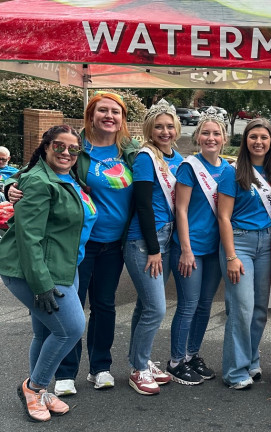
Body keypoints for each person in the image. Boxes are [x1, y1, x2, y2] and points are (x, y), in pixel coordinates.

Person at [6, 91, 140, 396]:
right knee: (70, 311)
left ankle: (100, 367)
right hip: (76, 245)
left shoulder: (130, 151)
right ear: (91, 115)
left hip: (113, 243)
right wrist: (9, 185)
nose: (109, 116)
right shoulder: (75, 145)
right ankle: (65, 373)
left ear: (122, 119)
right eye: (102, 110)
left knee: (105, 306)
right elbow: (28, 170)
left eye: (115, 112)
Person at [0, 125, 97, 421]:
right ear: (45, 147)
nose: (66, 152)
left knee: (45, 332)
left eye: (73, 148)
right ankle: (35, 386)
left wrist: (9, 184)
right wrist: (41, 284)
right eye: (59, 146)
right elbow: (29, 238)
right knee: (70, 328)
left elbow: (21, 176)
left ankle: (40, 392)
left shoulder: (68, 175)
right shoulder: (41, 181)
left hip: (66, 265)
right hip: (38, 272)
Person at [166, 108, 230, 385]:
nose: (211, 138)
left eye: (216, 133)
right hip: (191, 247)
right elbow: (180, 209)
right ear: (197, 136)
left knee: (205, 304)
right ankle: (175, 360)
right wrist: (185, 249)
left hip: (215, 248)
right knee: (189, 304)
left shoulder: (228, 169)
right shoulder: (189, 167)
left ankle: (192, 354)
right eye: (205, 132)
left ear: (224, 138)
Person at [123, 99, 182, 395]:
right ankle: (139, 368)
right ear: (149, 129)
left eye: (170, 125)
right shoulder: (147, 157)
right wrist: (154, 249)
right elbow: (143, 205)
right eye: (159, 126)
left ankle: (140, 359)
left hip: (167, 237)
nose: (165, 131)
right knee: (156, 309)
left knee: (144, 305)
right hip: (146, 241)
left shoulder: (175, 156)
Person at [217, 118, 271, 390]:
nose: (258, 142)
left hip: (266, 243)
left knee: (258, 311)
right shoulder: (232, 172)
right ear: (245, 140)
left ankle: (251, 360)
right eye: (253, 136)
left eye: (264, 137)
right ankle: (234, 370)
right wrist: (231, 256)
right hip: (239, 243)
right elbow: (223, 216)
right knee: (241, 309)